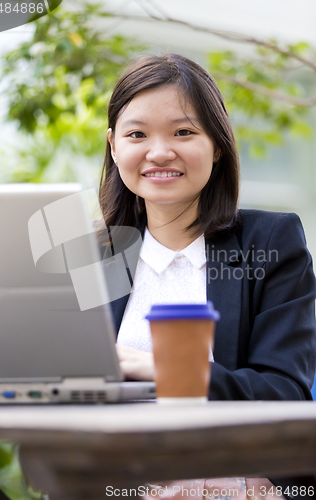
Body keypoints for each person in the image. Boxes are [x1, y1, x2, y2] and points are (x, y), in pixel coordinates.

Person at [99, 53, 316, 499]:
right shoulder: (93, 256)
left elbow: (284, 392)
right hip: (114, 479)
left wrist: (163, 370)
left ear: (217, 145)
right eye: (137, 134)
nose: (159, 152)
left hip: (236, 479)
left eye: (183, 132)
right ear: (114, 146)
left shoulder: (270, 240)